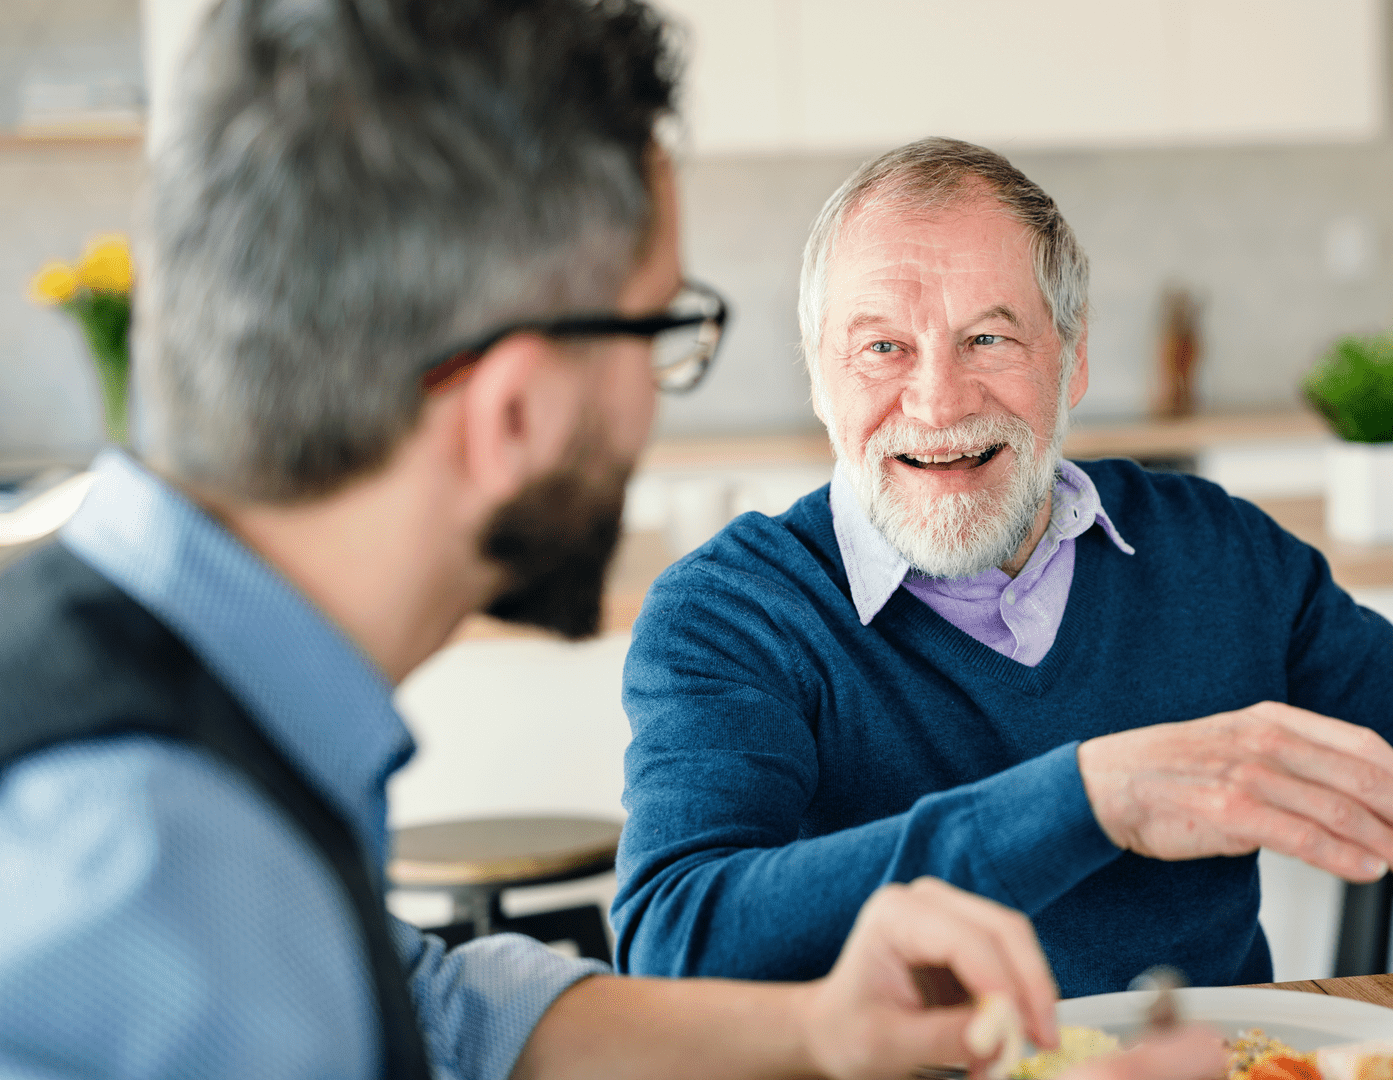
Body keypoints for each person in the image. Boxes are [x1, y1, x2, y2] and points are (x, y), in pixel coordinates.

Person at [0, 8, 1225, 1079]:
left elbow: (431, 1015)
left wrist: (818, 1034)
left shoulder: (196, 706)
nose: (656, 398)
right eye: (659, 334)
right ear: (517, 409)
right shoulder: (128, 857)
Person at [614, 137, 1393, 996]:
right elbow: (678, 939)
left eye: (993, 336)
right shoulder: (735, 615)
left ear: (1072, 363)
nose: (938, 396)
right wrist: (1089, 797)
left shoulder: (1214, 554)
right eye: (883, 345)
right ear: (819, 377)